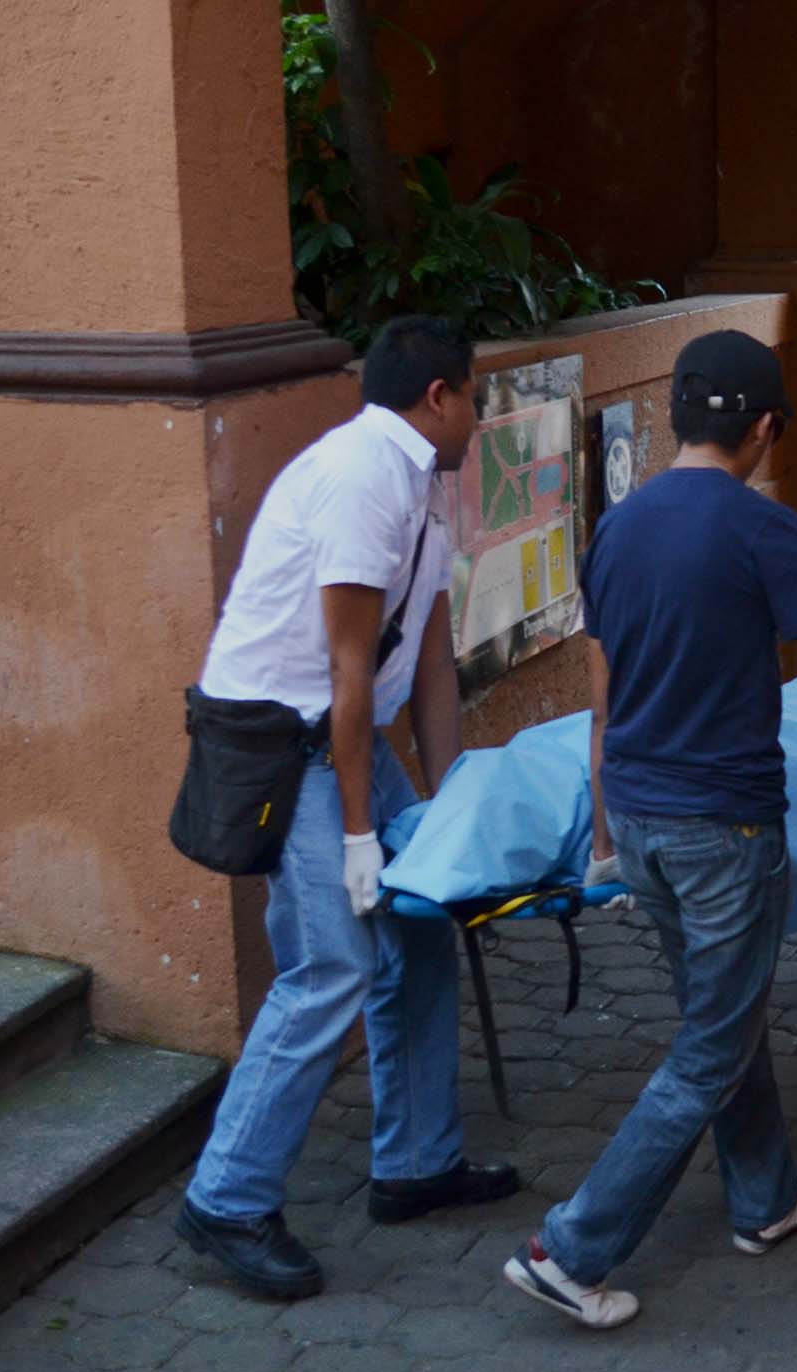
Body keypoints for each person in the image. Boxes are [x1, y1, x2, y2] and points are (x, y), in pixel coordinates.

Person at [503, 330, 797, 1329]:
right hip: (724, 832)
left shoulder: (617, 528)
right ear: (764, 428)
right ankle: (571, 1250)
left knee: (722, 1010)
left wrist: (604, 843)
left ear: (677, 416)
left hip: (639, 818)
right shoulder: (767, 531)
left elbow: (602, 703)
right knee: (710, 1044)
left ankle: (764, 1198)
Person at [176, 317, 516, 1299]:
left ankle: (416, 1164)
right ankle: (226, 1198)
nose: (479, 415)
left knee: (418, 927)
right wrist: (362, 832)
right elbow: (348, 673)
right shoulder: (367, 474)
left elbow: (432, 660)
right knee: (331, 966)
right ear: (439, 396)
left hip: (337, 739)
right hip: (291, 748)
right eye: (474, 396)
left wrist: (449, 810)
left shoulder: (421, 481)